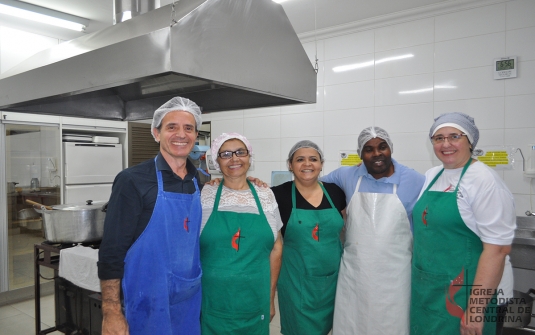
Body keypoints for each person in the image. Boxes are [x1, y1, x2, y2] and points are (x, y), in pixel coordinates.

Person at [98, 97, 204, 335]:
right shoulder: (132, 180)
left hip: (188, 301)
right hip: (146, 303)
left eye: (188, 128)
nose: (181, 134)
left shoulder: (198, 181)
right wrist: (111, 311)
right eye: (171, 127)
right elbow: (111, 251)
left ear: (196, 136)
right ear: (156, 133)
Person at [410, 112, 515, 335]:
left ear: (470, 141)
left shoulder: (484, 181)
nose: (446, 144)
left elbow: (497, 250)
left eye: (454, 136)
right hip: (431, 288)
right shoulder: (432, 175)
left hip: (469, 295)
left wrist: (476, 311)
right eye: (439, 138)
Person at [322, 126, 425, 335]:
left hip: (396, 279)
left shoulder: (415, 180)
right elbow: (309, 184)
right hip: (354, 276)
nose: (377, 154)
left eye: (382, 147)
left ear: (391, 149)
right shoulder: (347, 175)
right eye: (369, 149)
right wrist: (253, 184)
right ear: (361, 154)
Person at [200, 132, 283, 335]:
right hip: (211, 302)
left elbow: (277, 247)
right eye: (226, 154)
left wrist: (270, 298)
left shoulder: (265, 194)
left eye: (240, 152)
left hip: (255, 301)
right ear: (217, 161)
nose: (234, 158)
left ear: (249, 157)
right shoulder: (204, 194)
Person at [272, 140, 346, 335]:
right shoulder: (277, 195)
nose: (307, 164)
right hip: (296, 284)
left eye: (313, 159)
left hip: (333, 283)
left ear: (321, 164)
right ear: (290, 164)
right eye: (300, 159)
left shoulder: (336, 192)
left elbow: (346, 229)